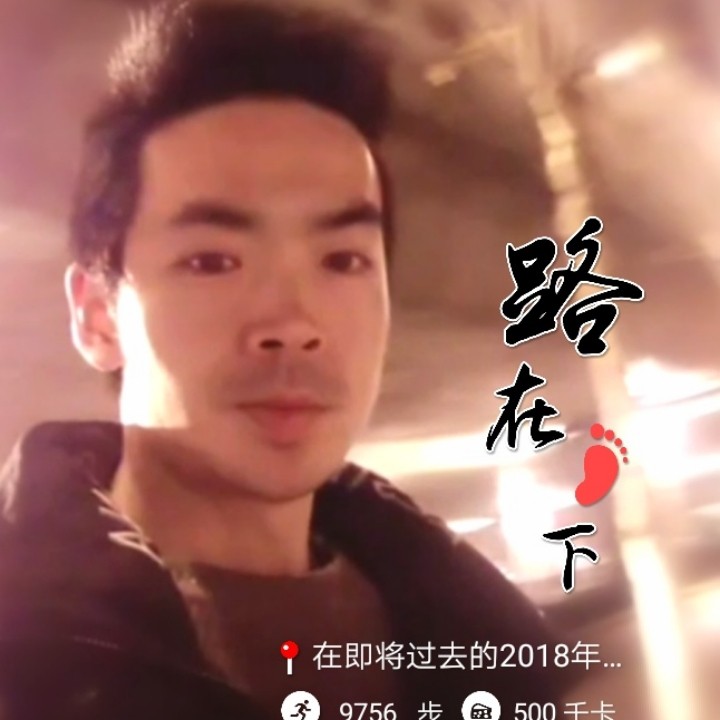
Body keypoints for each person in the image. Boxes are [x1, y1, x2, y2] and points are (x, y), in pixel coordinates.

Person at [0, 2, 581, 718]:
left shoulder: (493, 645)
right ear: (97, 314)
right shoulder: (29, 666)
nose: (294, 326)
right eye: (213, 261)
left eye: (342, 260)